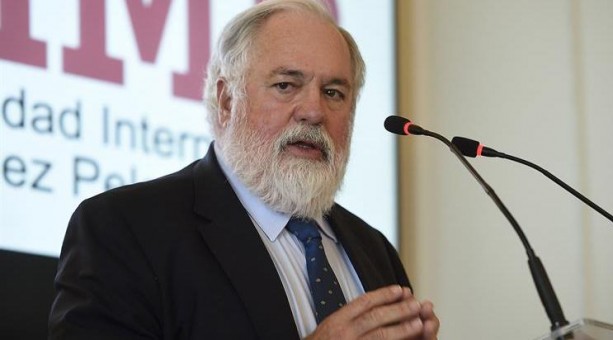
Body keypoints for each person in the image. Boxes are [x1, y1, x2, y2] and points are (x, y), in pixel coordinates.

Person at [48, 0, 440, 338]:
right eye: (286, 85)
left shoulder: (375, 250)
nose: (314, 111)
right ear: (226, 100)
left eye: (334, 93)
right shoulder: (124, 228)